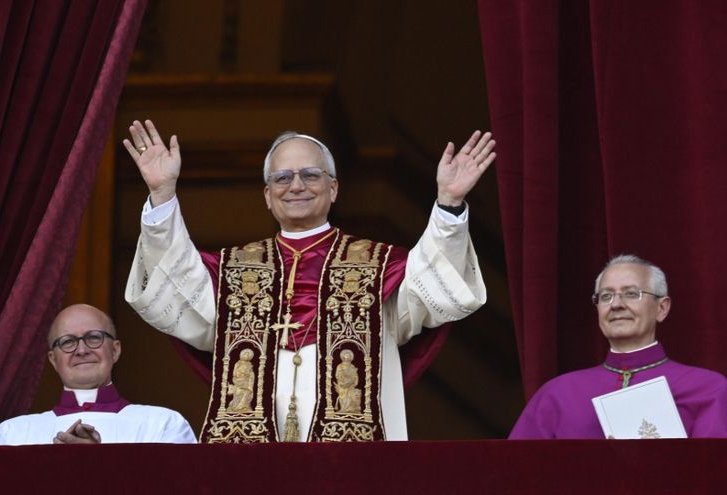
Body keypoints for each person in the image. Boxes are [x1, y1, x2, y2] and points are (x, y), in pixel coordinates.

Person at [123, 120, 494, 442]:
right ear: (268, 196)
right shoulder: (234, 270)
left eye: (311, 175)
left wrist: (448, 203)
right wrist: (162, 195)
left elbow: (433, 285)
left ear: (333, 189)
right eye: (282, 177)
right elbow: (177, 288)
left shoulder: (379, 267)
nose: (296, 185)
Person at [510, 255, 727, 439]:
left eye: (631, 294)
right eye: (606, 296)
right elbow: (516, 469)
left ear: (661, 308)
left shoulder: (708, 389)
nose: (616, 305)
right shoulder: (557, 394)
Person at [0, 304, 196, 445]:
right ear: (53, 360)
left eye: (94, 338)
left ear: (115, 350)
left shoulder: (163, 425)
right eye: (67, 342)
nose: (82, 350)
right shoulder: (11, 434)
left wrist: (99, 464)